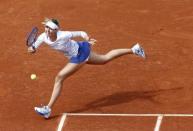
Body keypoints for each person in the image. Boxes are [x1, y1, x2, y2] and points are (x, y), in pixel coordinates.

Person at [28, 18, 146, 118]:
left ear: (56, 30)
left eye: (50, 28)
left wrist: (87, 38)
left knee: (59, 77)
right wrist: (32, 49)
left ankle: (48, 109)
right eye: (46, 27)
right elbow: (33, 48)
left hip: (79, 54)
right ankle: (134, 50)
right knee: (105, 59)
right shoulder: (43, 37)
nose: (47, 30)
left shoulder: (63, 35)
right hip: (80, 51)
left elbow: (81, 32)